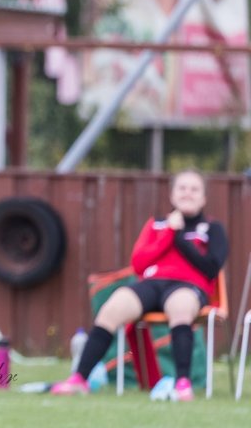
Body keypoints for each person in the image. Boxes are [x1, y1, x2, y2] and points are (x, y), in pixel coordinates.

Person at [51, 170, 227, 401]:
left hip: (188, 286)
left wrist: (180, 237)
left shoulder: (212, 228)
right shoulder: (157, 225)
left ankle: (182, 384)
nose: (188, 193)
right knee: (112, 307)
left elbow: (211, 267)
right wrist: (168, 232)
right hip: (152, 284)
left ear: (203, 198)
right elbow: (139, 263)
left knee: (180, 307)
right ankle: (79, 379)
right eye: (182, 188)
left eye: (194, 189)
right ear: (172, 195)